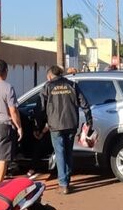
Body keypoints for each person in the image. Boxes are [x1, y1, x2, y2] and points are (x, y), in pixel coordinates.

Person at [36, 66, 92, 195]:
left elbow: (40, 108)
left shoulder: (48, 86)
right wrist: (89, 121)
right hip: (71, 123)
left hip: (55, 126)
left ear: (50, 76)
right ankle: (66, 179)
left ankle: (63, 184)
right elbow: (84, 104)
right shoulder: (72, 85)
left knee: (60, 153)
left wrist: (38, 127)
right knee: (68, 152)